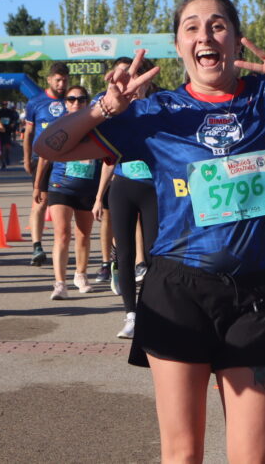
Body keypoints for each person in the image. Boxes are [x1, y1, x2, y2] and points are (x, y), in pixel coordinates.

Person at [34, 0, 265, 461]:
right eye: (193, 27)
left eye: (218, 25)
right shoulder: (153, 114)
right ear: (180, 46)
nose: (206, 34)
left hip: (252, 296)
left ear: (238, 42)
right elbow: (48, 148)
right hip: (177, 290)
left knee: (254, 458)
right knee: (182, 455)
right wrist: (103, 107)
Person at [92, 58, 160, 338]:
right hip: (123, 186)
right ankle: (131, 315)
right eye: (126, 73)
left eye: (137, 74)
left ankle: (154, 312)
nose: (132, 79)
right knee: (125, 253)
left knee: (156, 254)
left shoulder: (160, 106)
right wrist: (99, 196)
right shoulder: (116, 110)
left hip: (154, 188)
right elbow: (109, 158)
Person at [35, 86, 100, 299]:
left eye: (81, 99)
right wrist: (38, 185)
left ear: (87, 102)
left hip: (87, 185)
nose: (76, 103)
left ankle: (81, 274)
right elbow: (44, 155)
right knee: (62, 233)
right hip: (60, 185)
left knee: (83, 234)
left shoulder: (96, 126)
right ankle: (60, 283)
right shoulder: (59, 125)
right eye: (71, 99)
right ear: (65, 103)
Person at [22, 63, 69, 267]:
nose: (61, 84)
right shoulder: (35, 102)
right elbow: (28, 134)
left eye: (64, 80)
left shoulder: (72, 101)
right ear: (49, 80)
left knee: (66, 204)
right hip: (41, 159)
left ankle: (64, 243)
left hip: (67, 159)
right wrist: (26, 158)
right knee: (39, 202)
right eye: (57, 80)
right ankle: (37, 246)